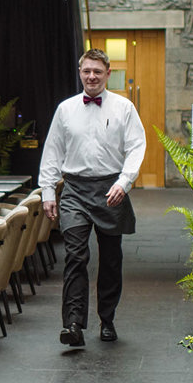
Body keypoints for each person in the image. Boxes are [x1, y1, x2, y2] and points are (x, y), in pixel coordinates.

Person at [38, 48, 146, 347]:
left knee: (111, 260)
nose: (92, 76)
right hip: (74, 189)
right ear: (80, 72)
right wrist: (48, 191)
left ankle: (107, 319)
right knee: (75, 255)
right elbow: (52, 152)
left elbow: (137, 146)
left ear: (107, 73)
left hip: (111, 189)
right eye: (87, 71)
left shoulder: (124, 108)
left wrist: (124, 182)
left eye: (97, 71)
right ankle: (73, 324)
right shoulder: (65, 109)